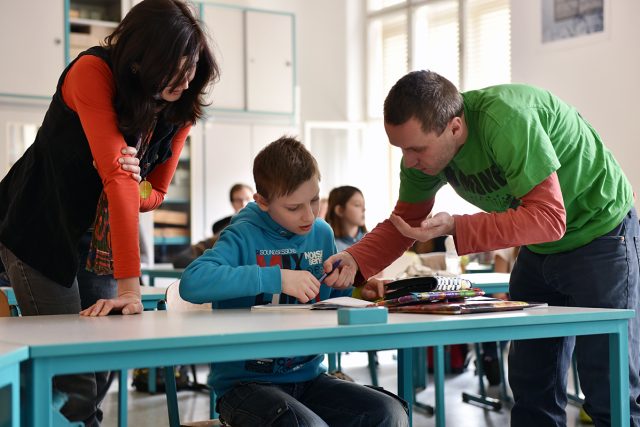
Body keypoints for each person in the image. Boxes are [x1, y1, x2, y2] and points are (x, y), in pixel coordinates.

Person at [323, 70, 640, 426]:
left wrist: (459, 226)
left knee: (609, 389)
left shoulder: (505, 122)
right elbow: (404, 225)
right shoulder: (423, 156)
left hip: (599, 231)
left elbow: (550, 219)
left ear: (455, 127)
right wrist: (356, 258)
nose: (409, 161)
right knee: (532, 385)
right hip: (540, 247)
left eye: (416, 149)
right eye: (401, 149)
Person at [0, 1, 218, 425]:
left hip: (95, 245)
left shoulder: (180, 106)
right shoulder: (92, 73)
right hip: (37, 231)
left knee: (100, 369)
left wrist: (134, 184)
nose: (185, 78)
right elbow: (119, 181)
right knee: (73, 376)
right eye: (172, 67)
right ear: (138, 61)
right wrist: (131, 290)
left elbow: (153, 193)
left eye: (191, 65)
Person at [180, 137, 408, 427]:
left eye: (314, 200)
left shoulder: (321, 233)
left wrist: (357, 288)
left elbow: (323, 301)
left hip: (309, 378)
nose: (309, 215)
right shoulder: (241, 234)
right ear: (262, 202)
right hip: (244, 386)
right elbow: (193, 282)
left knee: (390, 413)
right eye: (293, 207)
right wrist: (276, 278)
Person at [325, 185, 368, 252]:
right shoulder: (327, 244)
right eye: (357, 205)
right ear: (339, 210)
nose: (364, 209)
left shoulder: (371, 241)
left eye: (364, 205)